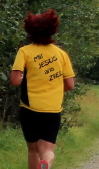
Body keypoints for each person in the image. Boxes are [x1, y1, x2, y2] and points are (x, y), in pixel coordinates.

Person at [10, 9, 75, 169]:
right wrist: (53, 88)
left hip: (29, 108)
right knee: (48, 150)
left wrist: (26, 79)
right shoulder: (61, 54)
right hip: (53, 109)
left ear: (30, 30)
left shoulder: (24, 51)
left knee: (33, 150)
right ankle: (45, 163)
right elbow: (70, 85)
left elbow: (15, 80)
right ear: (53, 29)